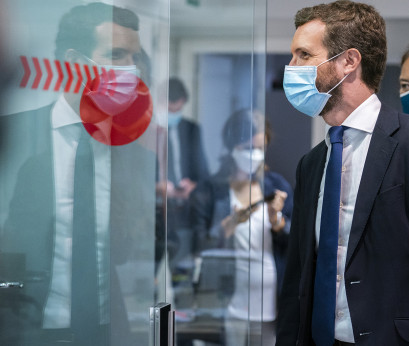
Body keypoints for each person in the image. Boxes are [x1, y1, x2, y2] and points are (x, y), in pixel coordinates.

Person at [276, 1, 409, 345]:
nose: (291, 67)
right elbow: (297, 282)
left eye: (303, 55)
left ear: (348, 61)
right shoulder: (311, 163)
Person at [0, 3, 155, 345]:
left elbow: (135, 248)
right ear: (75, 60)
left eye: (134, 57)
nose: (131, 69)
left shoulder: (131, 152)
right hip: (24, 331)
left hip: (105, 331)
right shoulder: (15, 138)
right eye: (116, 54)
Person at [190, 109, 292, 346]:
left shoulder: (277, 186)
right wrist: (229, 225)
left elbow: (295, 243)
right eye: (248, 148)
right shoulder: (210, 190)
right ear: (233, 145)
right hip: (227, 297)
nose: (254, 155)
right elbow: (198, 246)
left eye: (260, 148)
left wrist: (277, 219)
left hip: (271, 298)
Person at [160, 77, 209, 281]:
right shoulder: (149, 129)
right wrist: (158, 186)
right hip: (158, 209)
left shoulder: (191, 129)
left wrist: (192, 185)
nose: (174, 114)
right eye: (170, 110)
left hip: (185, 211)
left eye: (178, 109)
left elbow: (203, 171)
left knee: (181, 272)